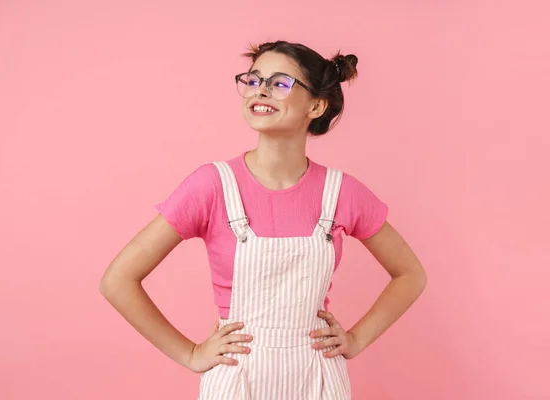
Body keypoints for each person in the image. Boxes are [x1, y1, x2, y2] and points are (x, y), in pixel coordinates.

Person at [100, 40, 427, 399]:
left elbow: (410, 274)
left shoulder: (341, 192)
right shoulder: (213, 186)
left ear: (316, 105)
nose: (261, 91)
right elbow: (118, 280)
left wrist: (357, 339)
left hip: (317, 379)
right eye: (254, 81)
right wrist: (190, 353)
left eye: (280, 83)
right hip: (237, 379)